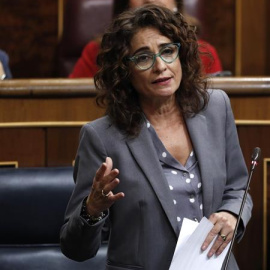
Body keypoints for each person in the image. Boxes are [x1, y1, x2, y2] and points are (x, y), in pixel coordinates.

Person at [60, 5, 252, 270]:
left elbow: (237, 187)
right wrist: (91, 209)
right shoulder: (101, 137)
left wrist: (233, 214)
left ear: (180, 54)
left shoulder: (215, 107)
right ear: (124, 70)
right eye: (142, 58)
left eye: (167, 51)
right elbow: (75, 249)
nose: (160, 66)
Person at [69, 0, 223, 78]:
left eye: (169, 51)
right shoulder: (99, 51)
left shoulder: (203, 52)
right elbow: (74, 104)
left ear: (177, 2)